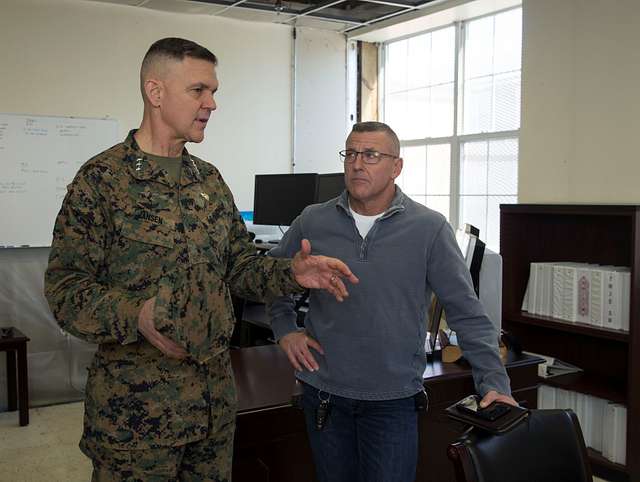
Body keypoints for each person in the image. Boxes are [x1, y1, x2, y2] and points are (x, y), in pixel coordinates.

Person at [44, 37, 358, 481]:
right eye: (198, 90)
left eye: (214, 91)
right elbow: (65, 290)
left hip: (211, 413)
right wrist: (137, 315)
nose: (211, 103)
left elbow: (239, 269)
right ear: (156, 92)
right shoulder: (101, 181)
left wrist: (293, 273)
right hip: (136, 421)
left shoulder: (207, 180)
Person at [268, 121, 516, 482]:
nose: (357, 164)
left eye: (371, 155)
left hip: (393, 402)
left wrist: (495, 384)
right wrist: (285, 330)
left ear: (396, 166)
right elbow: (270, 277)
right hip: (324, 396)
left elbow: (467, 313)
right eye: (351, 153)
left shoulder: (428, 228)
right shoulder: (313, 220)